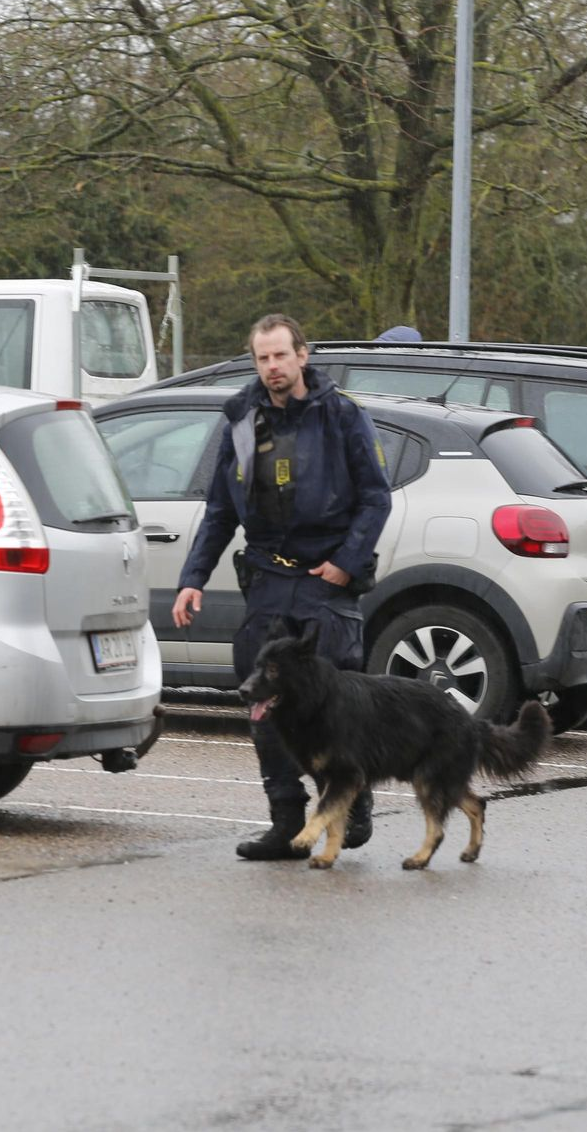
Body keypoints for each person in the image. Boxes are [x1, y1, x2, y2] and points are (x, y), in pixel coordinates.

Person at [172, 315, 392, 858]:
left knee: (335, 708)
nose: (272, 367)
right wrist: (192, 579)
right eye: (262, 358)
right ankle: (286, 827)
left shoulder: (342, 415)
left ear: (302, 356)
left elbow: (375, 497)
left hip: (325, 582)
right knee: (265, 711)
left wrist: (345, 562)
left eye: (280, 356)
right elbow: (221, 509)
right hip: (269, 579)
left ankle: (351, 811)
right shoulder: (242, 421)